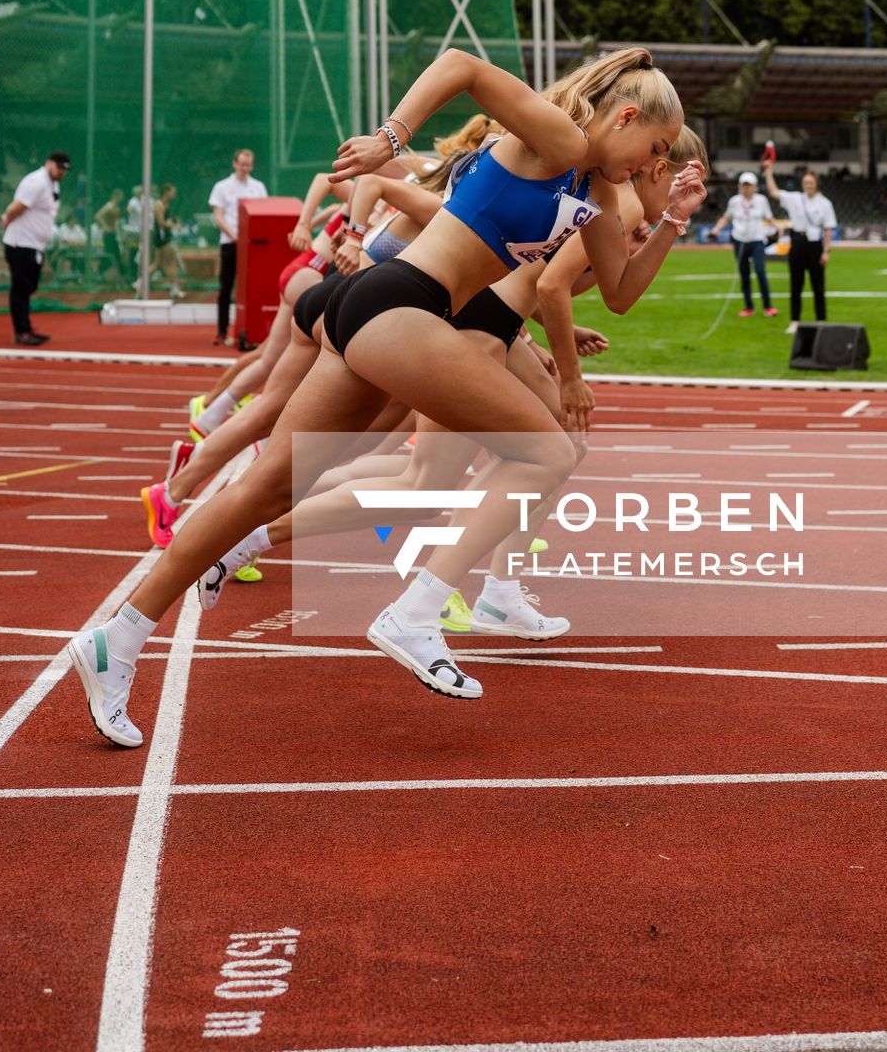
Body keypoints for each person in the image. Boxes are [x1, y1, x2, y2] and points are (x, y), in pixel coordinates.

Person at [69, 45, 702, 742]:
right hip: (402, 301)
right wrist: (389, 138)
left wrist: (669, 218)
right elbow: (462, 65)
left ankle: (116, 638)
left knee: (266, 491)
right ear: (628, 115)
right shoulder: (561, 139)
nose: (653, 164)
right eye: (655, 147)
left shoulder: (602, 194)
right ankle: (418, 609)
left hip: (382, 314)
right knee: (548, 452)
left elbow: (619, 293)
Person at [0, 151, 70, 345]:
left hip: (34, 244)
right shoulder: (36, 181)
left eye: (64, 169)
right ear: (48, 163)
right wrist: (6, 218)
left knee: (29, 286)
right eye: (58, 167)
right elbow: (18, 206)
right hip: (21, 242)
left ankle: (26, 327)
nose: (61, 172)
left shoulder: (53, 184)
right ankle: (21, 331)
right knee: (21, 288)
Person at [209, 149, 268, 345]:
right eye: (241, 164)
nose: (245, 168)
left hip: (254, 246)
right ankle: (221, 330)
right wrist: (235, 236)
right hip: (231, 243)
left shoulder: (258, 187)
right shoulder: (222, 187)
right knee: (225, 287)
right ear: (234, 164)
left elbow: (263, 214)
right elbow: (218, 217)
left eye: (248, 165)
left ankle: (253, 329)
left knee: (254, 288)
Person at [763, 163, 835, 325]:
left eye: (811, 182)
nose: (808, 185)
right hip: (797, 243)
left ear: (816, 184)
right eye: (806, 183)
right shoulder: (795, 198)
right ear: (802, 184)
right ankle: (794, 321)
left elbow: (828, 230)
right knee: (796, 285)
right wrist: (768, 173)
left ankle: (820, 321)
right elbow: (774, 192)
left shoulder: (825, 203)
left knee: (818, 285)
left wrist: (826, 251)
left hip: (815, 245)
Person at [715, 170, 777, 318]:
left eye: (749, 185)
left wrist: (777, 228)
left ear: (755, 186)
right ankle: (748, 307)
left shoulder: (761, 200)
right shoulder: (734, 201)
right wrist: (715, 230)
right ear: (740, 186)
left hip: (757, 240)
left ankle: (767, 306)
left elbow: (769, 217)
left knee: (761, 272)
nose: (747, 188)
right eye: (744, 185)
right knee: (744, 274)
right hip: (740, 240)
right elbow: (726, 217)